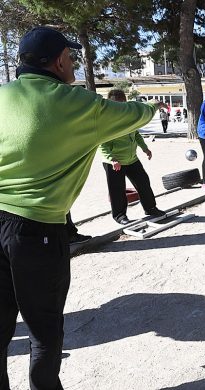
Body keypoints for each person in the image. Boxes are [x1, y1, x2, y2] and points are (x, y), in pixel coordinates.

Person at [0, 26, 161, 390]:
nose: (73, 63)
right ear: (58, 61)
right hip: (36, 229)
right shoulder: (81, 106)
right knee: (43, 331)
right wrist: (151, 105)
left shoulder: (1, 96)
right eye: (71, 57)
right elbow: (137, 115)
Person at [100, 89, 166, 225]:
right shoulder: (105, 120)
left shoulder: (128, 116)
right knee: (117, 189)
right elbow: (101, 143)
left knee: (143, 182)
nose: (119, 107)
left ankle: (150, 208)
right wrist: (112, 159)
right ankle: (119, 215)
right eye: (115, 104)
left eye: (121, 104)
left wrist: (145, 148)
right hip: (114, 161)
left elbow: (135, 134)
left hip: (131, 158)